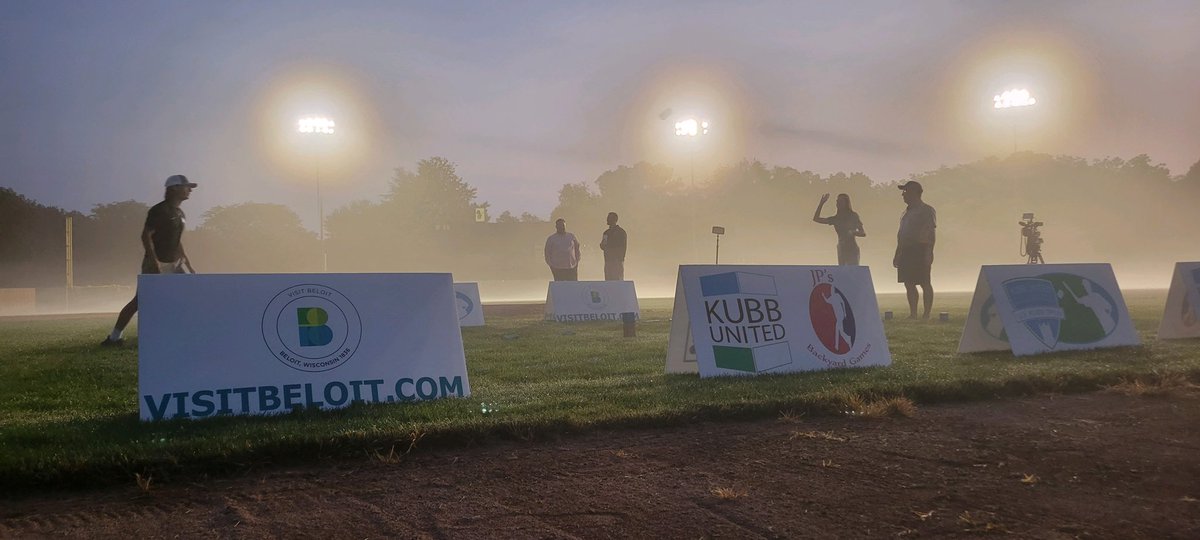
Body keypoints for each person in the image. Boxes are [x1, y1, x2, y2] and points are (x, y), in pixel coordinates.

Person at [100, 175, 197, 346]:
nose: (189, 190)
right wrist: (154, 261)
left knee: (187, 296)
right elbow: (146, 235)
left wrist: (187, 262)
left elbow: (176, 239)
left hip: (175, 264)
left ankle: (180, 333)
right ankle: (114, 337)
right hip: (157, 262)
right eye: (186, 186)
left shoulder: (180, 213)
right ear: (174, 189)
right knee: (140, 301)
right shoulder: (159, 211)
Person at [893, 180, 936, 319]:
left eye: (905, 191)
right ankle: (913, 314)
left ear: (914, 193)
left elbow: (930, 231)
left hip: (920, 249)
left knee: (924, 282)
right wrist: (897, 253)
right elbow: (901, 234)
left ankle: (926, 314)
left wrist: (929, 252)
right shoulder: (905, 212)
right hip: (906, 250)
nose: (903, 195)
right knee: (908, 282)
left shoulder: (927, 210)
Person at [812, 193, 866, 265]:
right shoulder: (836, 219)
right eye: (837, 201)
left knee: (853, 271)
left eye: (841, 201)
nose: (838, 203)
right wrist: (821, 203)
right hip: (841, 249)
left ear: (846, 203)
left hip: (852, 249)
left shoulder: (853, 216)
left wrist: (852, 232)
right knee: (842, 272)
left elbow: (863, 233)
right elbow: (816, 219)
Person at [599, 212, 627, 280]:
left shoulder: (621, 232)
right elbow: (603, 246)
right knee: (608, 279)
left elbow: (623, 246)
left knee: (617, 280)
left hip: (617, 261)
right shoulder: (606, 233)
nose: (607, 219)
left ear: (614, 220)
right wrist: (602, 245)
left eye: (609, 218)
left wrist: (621, 258)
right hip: (608, 260)